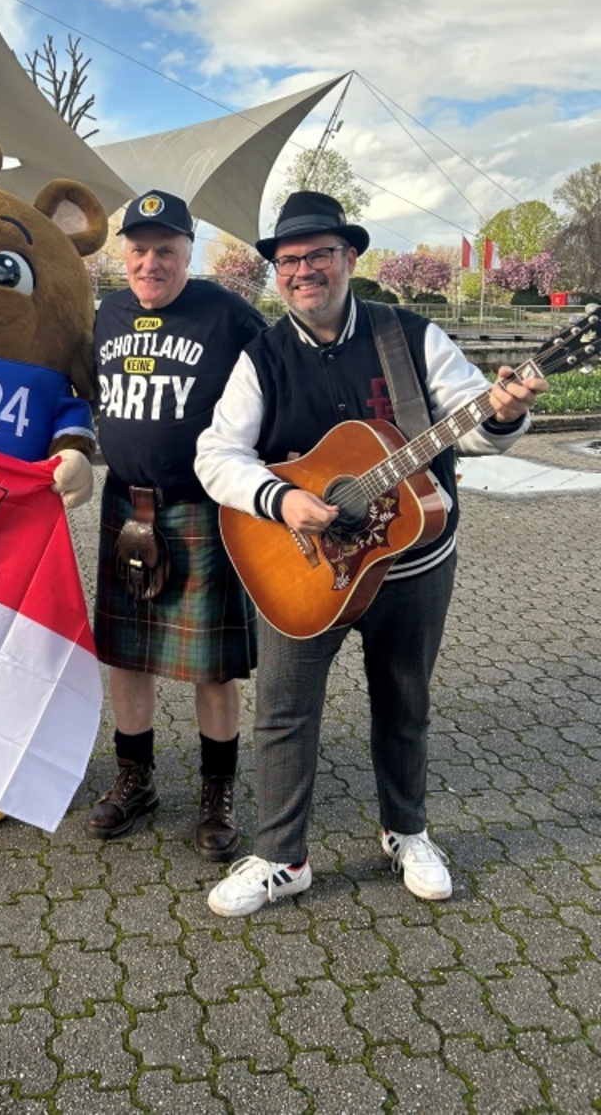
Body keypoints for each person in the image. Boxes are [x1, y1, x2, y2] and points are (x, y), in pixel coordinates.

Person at [195, 190, 546, 914]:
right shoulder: (262, 354)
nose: (302, 271)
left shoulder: (409, 336)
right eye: (289, 260)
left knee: (404, 700)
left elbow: (472, 425)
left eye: (318, 254)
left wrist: (505, 413)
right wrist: (282, 499)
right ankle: (282, 856)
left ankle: (406, 831)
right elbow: (216, 453)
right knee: (284, 710)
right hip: (304, 566)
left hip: (411, 565)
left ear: (349, 257)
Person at [88, 189, 266, 860]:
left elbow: (281, 379)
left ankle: (217, 791)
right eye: (138, 249)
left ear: (189, 252)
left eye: (166, 249)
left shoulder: (226, 314)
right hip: (124, 506)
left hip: (201, 507)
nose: (150, 262)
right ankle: (134, 778)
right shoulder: (108, 312)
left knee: (211, 668)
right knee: (127, 654)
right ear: (124, 253)